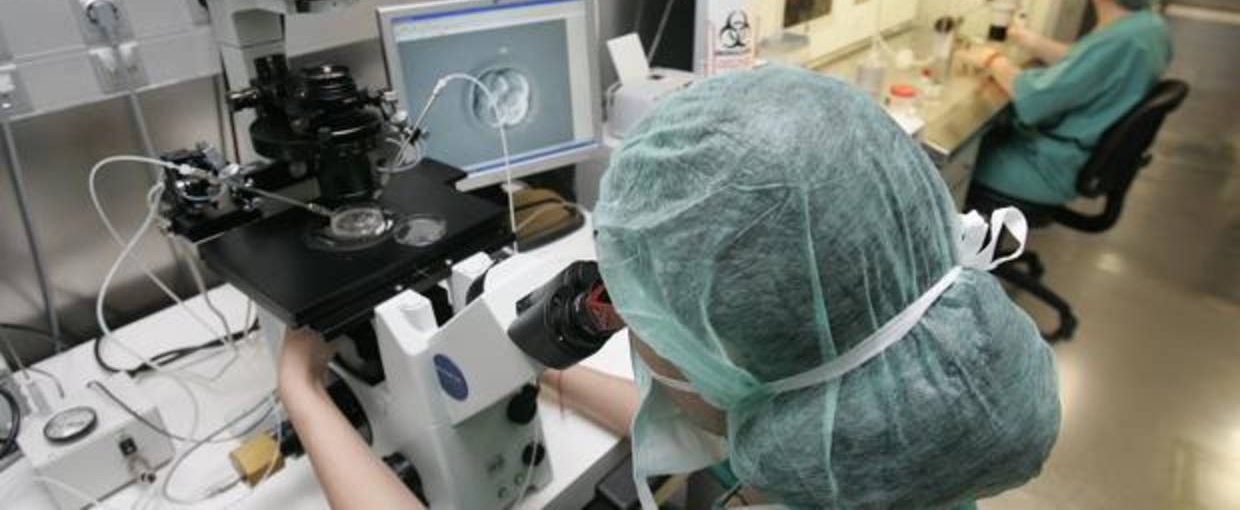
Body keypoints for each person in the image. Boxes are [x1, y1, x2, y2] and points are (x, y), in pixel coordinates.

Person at [280, 66, 1061, 509]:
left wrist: (306, 396)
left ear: (730, 364)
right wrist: (551, 370)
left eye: (648, 310)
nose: (622, 320)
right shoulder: (878, 432)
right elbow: (726, 429)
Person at [963, 0, 1176, 205]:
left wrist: (993, 60)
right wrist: (1031, 40)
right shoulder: (1146, 27)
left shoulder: (1121, 41)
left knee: (943, 167)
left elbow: (1037, 98)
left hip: (1044, 168)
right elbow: (1089, 64)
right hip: (1069, 159)